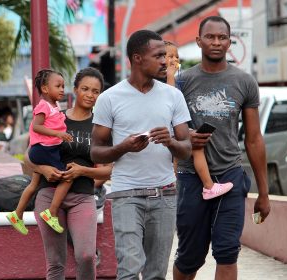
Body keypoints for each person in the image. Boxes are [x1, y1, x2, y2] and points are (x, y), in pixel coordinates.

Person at [173, 16, 271, 280]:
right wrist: (186, 138)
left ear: (230, 42)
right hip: (191, 177)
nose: (216, 42)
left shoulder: (244, 82)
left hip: (230, 175)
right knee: (190, 255)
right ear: (199, 41)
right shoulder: (182, 82)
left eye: (222, 38)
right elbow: (169, 130)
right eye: (210, 37)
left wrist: (264, 192)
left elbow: (253, 139)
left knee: (228, 250)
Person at [90, 30, 192, 280]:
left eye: (165, 56)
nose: (164, 61)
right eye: (157, 56)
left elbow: (187, 149)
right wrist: (122, 147)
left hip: (165, 193)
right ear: (137, 58)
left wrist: (170, 141)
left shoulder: (173, 96)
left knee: (156, 274)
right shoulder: (109, 98)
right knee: (129, 269)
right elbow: (96, 151)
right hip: (126, 195)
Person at [25, 67, 111, 279]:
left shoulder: (100, 127)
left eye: (96, 91)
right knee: (55, 263)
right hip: (49, 195)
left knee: (86, 255)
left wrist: (83, 171)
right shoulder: (55, 117)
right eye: (85, 89)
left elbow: (107, 171)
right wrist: (44, 169)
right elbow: (29, 156)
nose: (90, 95)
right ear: (74, 90)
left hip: (82, 197)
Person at [7, 69, 74, 235]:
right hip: (45, 150)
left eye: (63, 86)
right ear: (45, 89)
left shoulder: (54, 106)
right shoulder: (44, 106)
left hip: (43, 150)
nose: (62, 89)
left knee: (34, 184)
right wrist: (58, 134)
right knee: (67, 178)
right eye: (58, 86)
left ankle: (17, 214)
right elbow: (37, 126)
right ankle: (51, 213)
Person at [165, 41, 233, 199]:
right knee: (188, 150)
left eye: (177, 56)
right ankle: (206, 186)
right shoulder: (164, 78)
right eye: (170, 56)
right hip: (169, 126)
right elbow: (168, 98)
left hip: (177, 125)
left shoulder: (177, 77)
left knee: (191, 149)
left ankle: (181, 185)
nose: (174, 59)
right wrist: (170, 75)